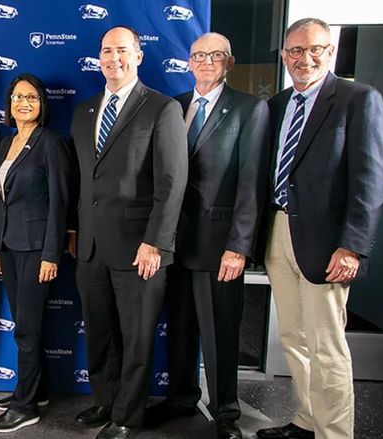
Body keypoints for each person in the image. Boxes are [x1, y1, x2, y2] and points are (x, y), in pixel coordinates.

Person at [255, 18, 383, 439]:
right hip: (278, 231)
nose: (304, 58)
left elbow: (371, 180)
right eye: (295, 51)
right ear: (284, 56)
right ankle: (306, 420)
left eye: (315, 49)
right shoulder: (276, 106)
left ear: (330, 51)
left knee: (326, 346)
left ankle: (335, 433)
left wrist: (352, 246)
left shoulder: (357, 99)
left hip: (327, 243)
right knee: (293, 338)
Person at [143, 33, 270, 439]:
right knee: (179, 327)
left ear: (228, 63)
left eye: (216, 55)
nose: (207, 61)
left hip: (219, 248)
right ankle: (181, 398)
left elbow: (252, 185)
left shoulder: (250, 109)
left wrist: (239, 247)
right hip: (173, 243)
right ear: (189, 62)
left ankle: (226, 413)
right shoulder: (173, 106)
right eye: (199, 55)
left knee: (220, 332)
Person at [68, 25, 187, 439]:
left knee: (136, 339)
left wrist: (155, 241)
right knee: (99, 333)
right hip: (91, 247)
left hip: (140, 248)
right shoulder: (84, 112)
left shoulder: (161, 108)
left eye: (121, 50)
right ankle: (105, 401)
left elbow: (172, 184)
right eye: (105, 50)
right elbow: (81, 181)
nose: (112, 58)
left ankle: (126, 416)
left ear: (138, 56)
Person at [0, 74, 71, 433]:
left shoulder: (50, 143)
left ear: (42, 104)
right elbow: (1, 200)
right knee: (25, 324)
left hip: (38, 249)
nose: (24, 103)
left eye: (32, 98)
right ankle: (37, 390)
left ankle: (25, 407)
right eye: (18, 97)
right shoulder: (6, 142)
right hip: (9, 245)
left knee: (27, 329)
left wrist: (52, 254)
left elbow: (60, 202)